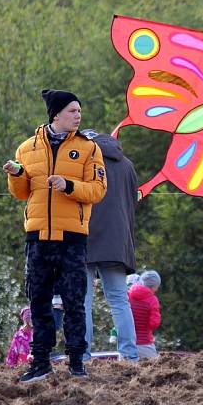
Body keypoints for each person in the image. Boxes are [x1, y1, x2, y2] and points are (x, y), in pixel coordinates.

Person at [3, 89, 107, 383]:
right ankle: (41, 362)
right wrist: (15, 174)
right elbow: (21, 193)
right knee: (39, 300)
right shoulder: (27, 148)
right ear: (56, 114)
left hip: (72, 236)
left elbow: (98, 190)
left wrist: (68, 185)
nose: (78, 115)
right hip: (37, 237)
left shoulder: (89, 149)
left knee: (75, 301)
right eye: (73, 111)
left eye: (79, 111)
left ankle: (77, 362)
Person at [81, 131, 139, 362]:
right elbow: (133, 203)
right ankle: (130, 357)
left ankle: (82, 356)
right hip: (118, 240)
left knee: (82, 301)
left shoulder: (85, 160)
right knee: (119, 299)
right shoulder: (127, 165)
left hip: (85, 235)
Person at [128, 270, 161, 359]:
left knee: (123, 369)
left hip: (126, 343)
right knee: (152, 368)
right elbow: (154, 323)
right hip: (145, 343)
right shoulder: (152, 300)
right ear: (154, 287)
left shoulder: (128, 295)